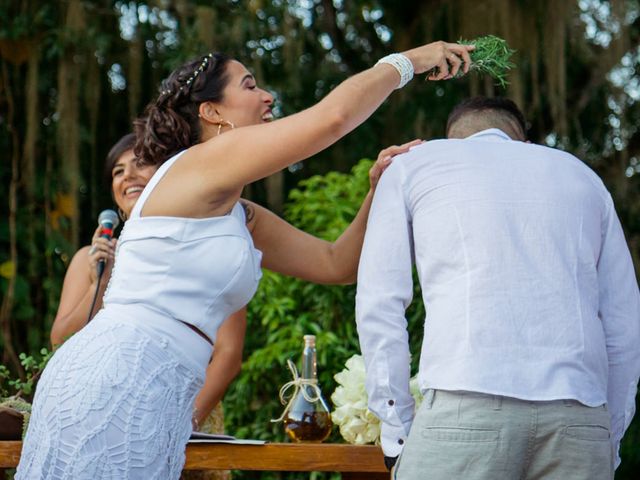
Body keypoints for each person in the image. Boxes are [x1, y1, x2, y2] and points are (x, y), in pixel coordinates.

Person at [17, 41, 473, 479]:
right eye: (250, 85)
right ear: (212, 113)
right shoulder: (199, 163)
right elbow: (332, 119)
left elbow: (337, 264)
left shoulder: (240, 214)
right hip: (118, 372)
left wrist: (375, 191)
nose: (267, 95)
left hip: (167, 387)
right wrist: (409, 61)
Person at [355, 96, 640, 480]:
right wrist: (608, 434)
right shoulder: (581, 175)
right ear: (523, 141)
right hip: (578, 413)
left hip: (464, 404)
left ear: (452, 140)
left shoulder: (414, 165)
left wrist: (396, 431)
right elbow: (624, 323)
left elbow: (380, 304)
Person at [49, 133, 241, 480]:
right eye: (118, 171)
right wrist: (100, 283)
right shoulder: (89, 261)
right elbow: (61, 341)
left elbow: (228, 353)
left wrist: (181, 424)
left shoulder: (205, 247)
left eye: (140, 163)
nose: (127, 176)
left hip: (186, 417)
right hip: (103, 416)